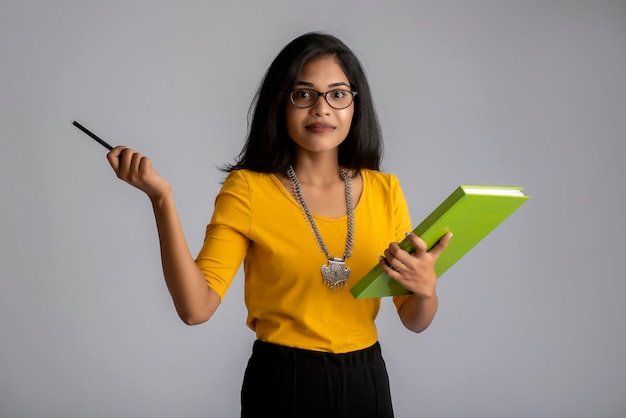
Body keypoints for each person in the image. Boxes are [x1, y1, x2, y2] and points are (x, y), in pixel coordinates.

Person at [106, 32, 452, 418]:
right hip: (284, 383)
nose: (322, 109)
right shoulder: (249, 190)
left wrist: (425, 290)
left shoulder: (386, 190)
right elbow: (195, 308)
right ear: (280, 104)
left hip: (366, 380)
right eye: (303, 94)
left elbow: (414, 320)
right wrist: (161, 198)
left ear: (356, 105)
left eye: (337, 94)